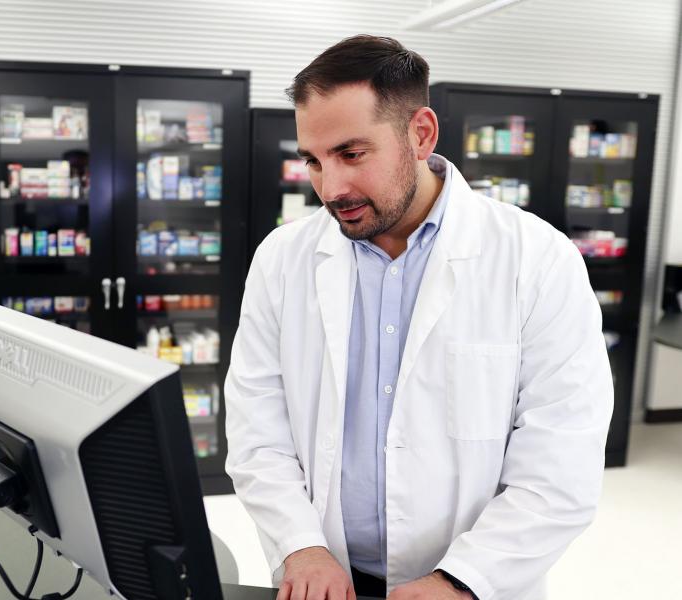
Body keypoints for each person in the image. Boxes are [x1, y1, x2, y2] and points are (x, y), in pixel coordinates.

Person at [224, 35, 613, 600]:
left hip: (472, 585)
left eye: (352, 154)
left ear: (421, 134)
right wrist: (300, 544)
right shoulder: (282, 259)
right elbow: (257, 427)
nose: (331, 188)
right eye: (313, 160)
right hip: (324, 579)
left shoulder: (536, 258)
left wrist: (459, 581)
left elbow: (562, 460)